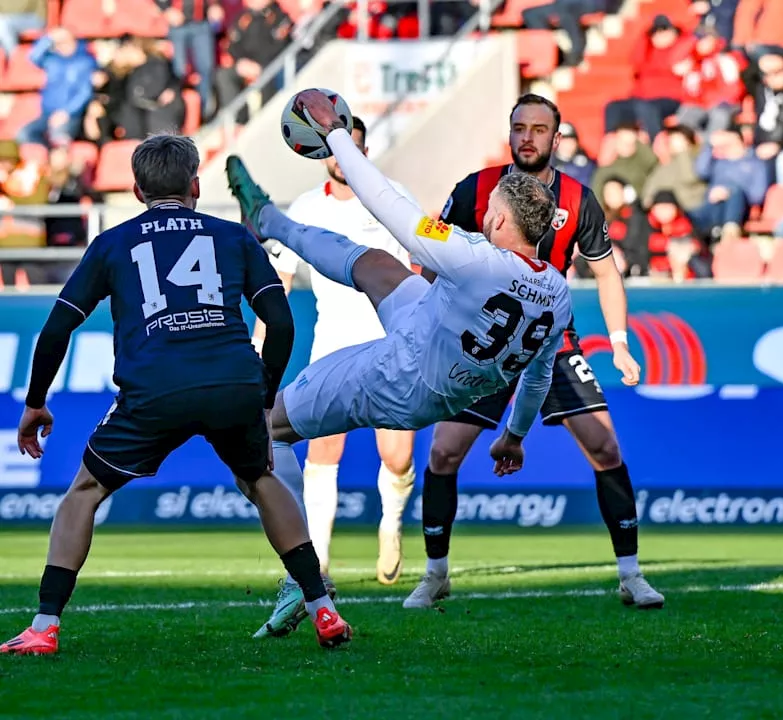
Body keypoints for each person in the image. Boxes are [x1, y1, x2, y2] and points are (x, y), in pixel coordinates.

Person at [227, 88, 574, 638]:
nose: (483, 212)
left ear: (502, 217)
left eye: (491, 209)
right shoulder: (557, 292)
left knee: (268, 429)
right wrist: (514, 434)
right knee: (377, 264)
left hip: (404, 375)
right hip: (437, 343)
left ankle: (303, 575)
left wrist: (334, 132)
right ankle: (268, 218)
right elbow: (537, 374)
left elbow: (385, 202)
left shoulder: (472, 256)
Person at [0, 134, 351, 655]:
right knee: (261, 478)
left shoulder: (114, 242)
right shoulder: (233, 237)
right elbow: (279, 322)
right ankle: (322, 608)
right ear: (195, 184)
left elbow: (56, 330)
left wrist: (34, 402)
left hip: (155, 387)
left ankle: (44, 627)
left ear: (138, 190)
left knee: (84, 493)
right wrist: (262, 395)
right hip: (232, 379)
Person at [422, 93, 664, 612]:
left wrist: (619, 343)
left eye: (538, 129)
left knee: (606, 448)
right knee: (443, 452)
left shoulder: (579, 198)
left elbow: (606, 273)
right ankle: (436, 573)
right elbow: (429, 248)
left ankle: (631, 575)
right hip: (483, 340)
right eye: (518, 127)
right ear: (508, 134)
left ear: (557, 139)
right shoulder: (473, 189)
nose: (526, 137)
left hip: (550, 339)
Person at [256, 116, 418, 587]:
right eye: (332, 149)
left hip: (390, 343)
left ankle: (391, 524)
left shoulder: (393, 198)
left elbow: (421, 265)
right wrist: (258, 340)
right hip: (333, 341)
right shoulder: (307, 207)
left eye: (351, 148)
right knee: (321, 452)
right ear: (319, 153)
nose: (342, 158)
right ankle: (318, 563)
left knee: (398, 457)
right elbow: (278, 283)